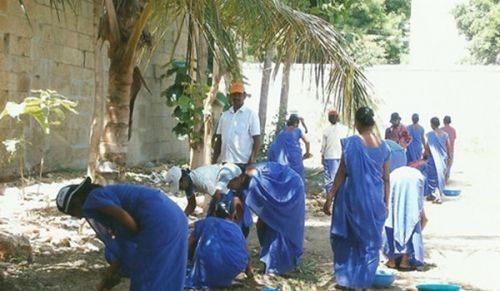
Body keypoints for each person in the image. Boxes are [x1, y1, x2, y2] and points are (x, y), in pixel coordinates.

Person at [56, 177, 188, 291]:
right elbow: (122, 252)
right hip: (174, 217)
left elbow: (124, 218)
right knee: (166, 272)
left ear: (76, 203)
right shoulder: (106, 196)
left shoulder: (94, 198)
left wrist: (139, 237)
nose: (79, 217)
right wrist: (106, 281)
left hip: (157, 221)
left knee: (148, 275)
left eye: (73, 214)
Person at [323, 106, 390, 290]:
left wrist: (330, 196)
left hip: (351, 198)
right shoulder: (384, 146)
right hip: (374, 201)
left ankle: (347, 280)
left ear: (357, 123)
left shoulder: (352, 143)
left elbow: (341, 172)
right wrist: (386, 203)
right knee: (370, 244)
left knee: (346, 238)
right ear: (373, 123)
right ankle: (362, 283)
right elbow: (386, 179)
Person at [227, 162, 305, 275]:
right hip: (276, 189)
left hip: (290, 187)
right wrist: (233, 228)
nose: (227, 186)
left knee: (279, 225)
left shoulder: (256, 183)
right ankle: (270, 263)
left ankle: (279, 266)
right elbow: (238, 208)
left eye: (229, 183)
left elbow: (266, 210)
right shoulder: (240, 181)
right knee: (267, 225)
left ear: (238, 178)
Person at [185, 201, 252, 289]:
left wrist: (180, 259)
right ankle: (224, 280)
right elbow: (246, 250)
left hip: (209, 263)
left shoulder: (207, 221)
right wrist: (249, 270)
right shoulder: (235, 227)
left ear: (214, 213)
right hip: (234, 265)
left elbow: (189, 243)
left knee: (195, 238)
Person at [383, 166, 427, 271]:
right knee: (411, 219)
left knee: (392, 219)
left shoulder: (394, 175)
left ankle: (392, 259)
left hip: (395, 183)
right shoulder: (418, 177)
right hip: (412, 184)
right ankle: (405, 260)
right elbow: (423, 219)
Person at [212, 82, 261, 170]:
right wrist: (213, 162)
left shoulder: (251, 115)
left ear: (244, 96)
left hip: (242, 164)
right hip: (225, 163)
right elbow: (219, 140)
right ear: (230, 96)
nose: (236, 97)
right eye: (234, 94)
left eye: (239, 94)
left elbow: (257, 140)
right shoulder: (224, 115)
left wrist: (251, 162)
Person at [166, 163, 236, 216]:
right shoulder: (188, 185)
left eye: (179, 187)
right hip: (217, 192)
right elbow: (191, 205)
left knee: (218, 219)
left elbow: (219, 197)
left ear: (183, 180)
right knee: (210, 219)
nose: (180, 189)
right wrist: (182, 218)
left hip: (226, 187)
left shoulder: (201, 181)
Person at [268, 113, 312, 180]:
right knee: (298, 179)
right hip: (295, 161)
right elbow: (307, 142)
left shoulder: (282, 132)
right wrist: (307, 153)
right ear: (295, 123)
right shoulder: (297, 131)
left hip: (283, 163)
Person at [320, 109, 350, 197]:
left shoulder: (326, 130)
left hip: (330, 156)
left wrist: (322, 156)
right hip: (342, 155)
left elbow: (323, 146)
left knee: (331, 177)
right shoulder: (345, 129)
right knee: (340, 175)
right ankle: (338, 194)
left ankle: (331, 195)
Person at [424, 117, 451, 204]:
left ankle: (437, 196)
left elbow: (427, 147)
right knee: (441, 177)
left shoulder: (430, 135)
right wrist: (449, 158)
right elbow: (448, 147)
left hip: (433, 160)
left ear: (432, 124)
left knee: (433, 178)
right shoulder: (445, 135)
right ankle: (435, 195)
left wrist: (424, 155)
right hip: (443, 159)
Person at [440, 115, 456, 183]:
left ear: (444, 121)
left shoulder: (441, 130)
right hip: (451, 150)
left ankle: (442, 179)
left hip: (443, 151)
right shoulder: (453, 130)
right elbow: (453, 140)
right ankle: (446, 179)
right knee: (449, 165)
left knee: (442, 165)